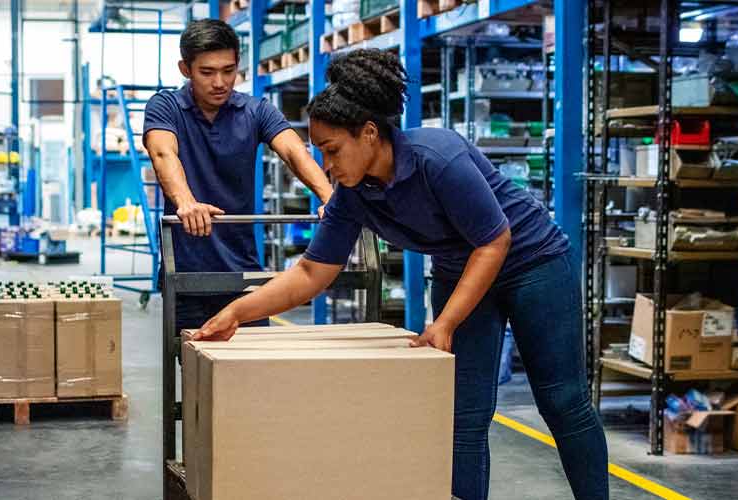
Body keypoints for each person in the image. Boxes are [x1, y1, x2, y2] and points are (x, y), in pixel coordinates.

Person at [191, 49, 609, 500]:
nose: (326, 167)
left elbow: (494, 241)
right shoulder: (351, 196)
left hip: (532, 263)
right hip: (460, 271)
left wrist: (444, 323)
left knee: (562, 402)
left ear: (369, 133)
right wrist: (236, 311)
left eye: (332, 151)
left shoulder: (437, 157)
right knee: (462, 415)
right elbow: (312, 272)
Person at [142, 19, 334, 329]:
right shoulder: (165, 107)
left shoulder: (256, 110)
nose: (220, 82)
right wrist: (186, 202)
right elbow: (163, 153)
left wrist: (329, 197)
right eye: (207, 72)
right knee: (197, 368)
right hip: (187, 274)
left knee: (250, 368)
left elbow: (292, 151)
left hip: (243, 271)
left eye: (228, 70)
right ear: (185, 69)